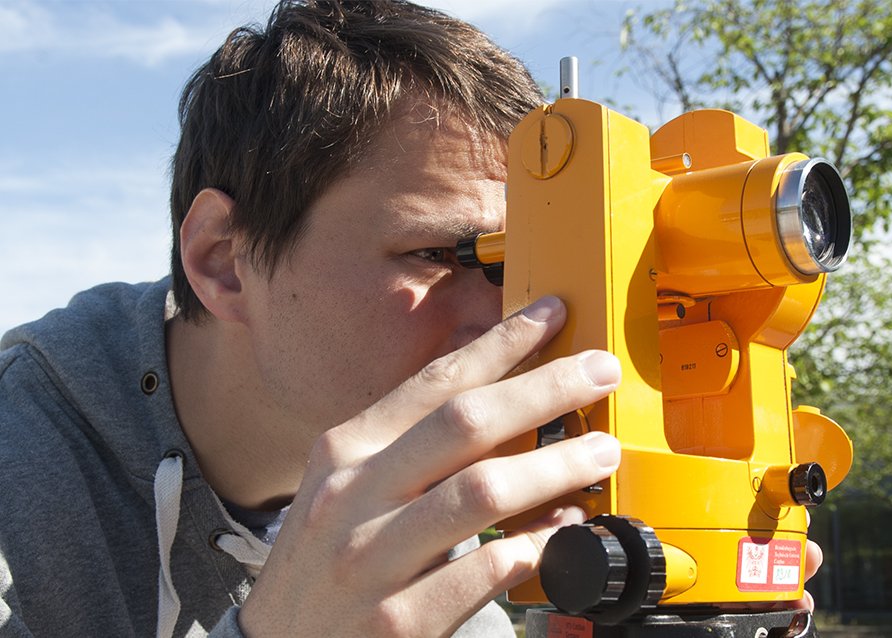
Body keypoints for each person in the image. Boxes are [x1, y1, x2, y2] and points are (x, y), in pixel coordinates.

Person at [0, 1, 819, 637]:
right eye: (447, 256)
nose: (517, 320)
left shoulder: (435, 494)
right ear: (223, 259)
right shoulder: (21, 458)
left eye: (529, 262)